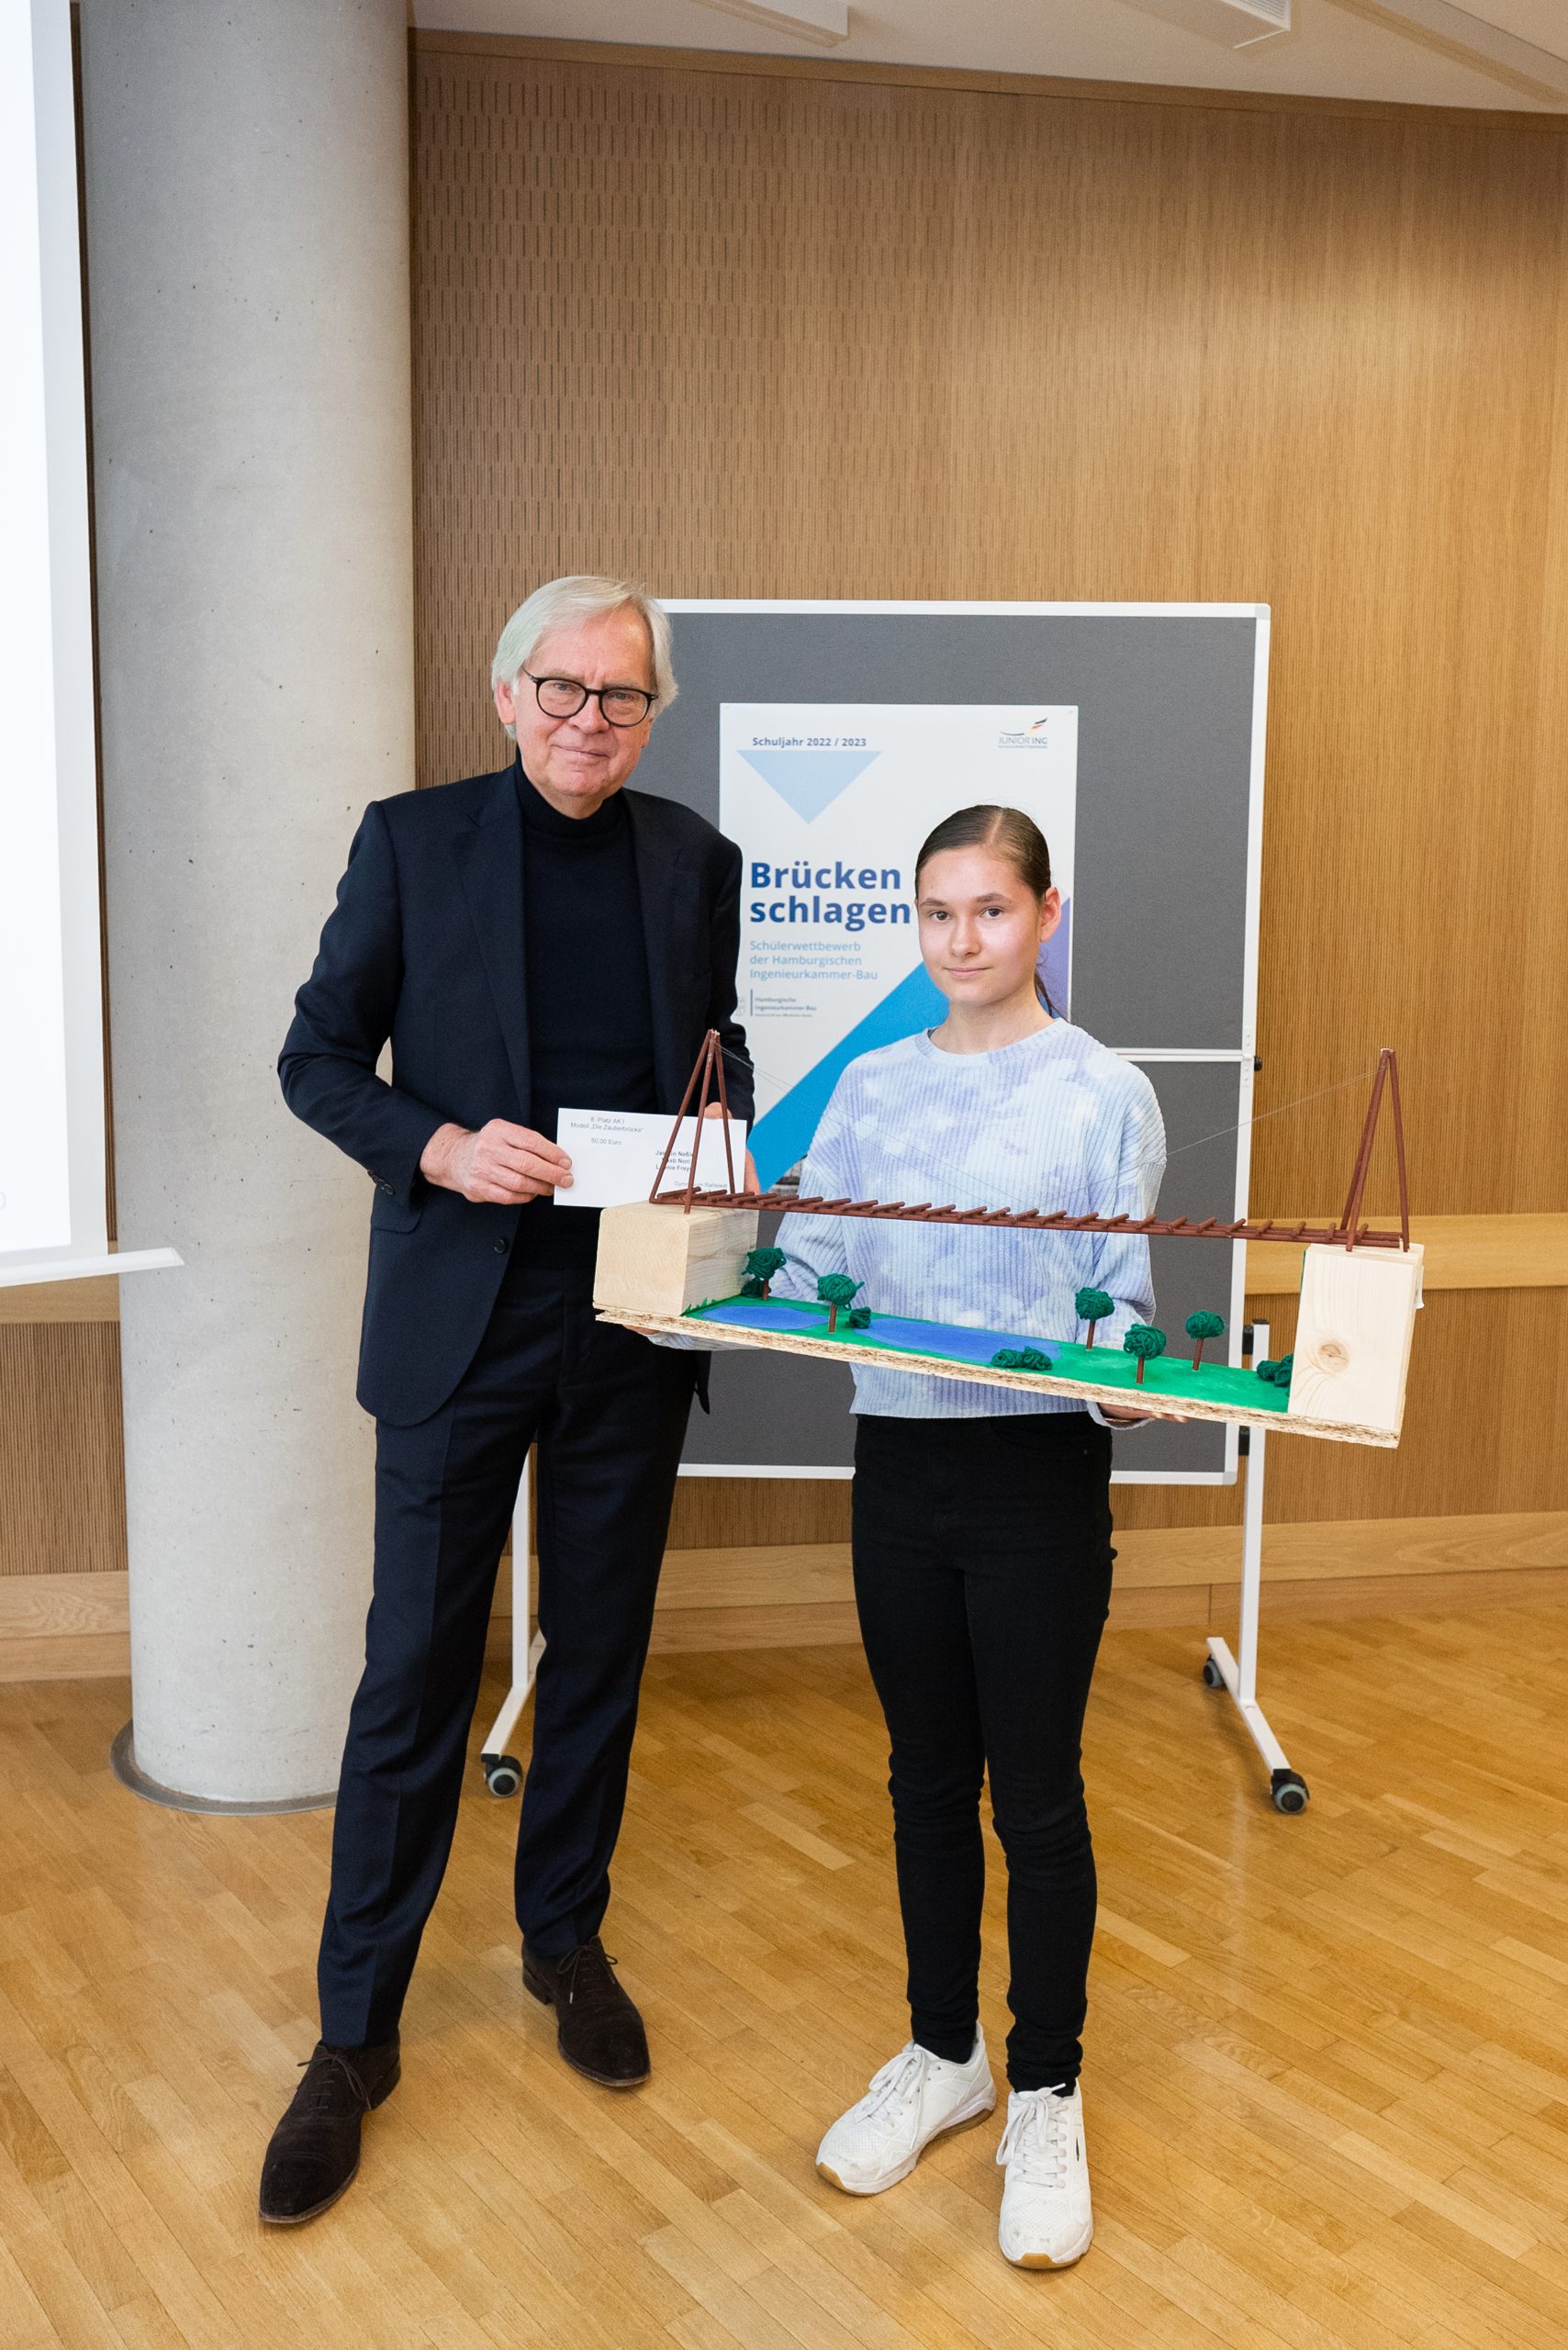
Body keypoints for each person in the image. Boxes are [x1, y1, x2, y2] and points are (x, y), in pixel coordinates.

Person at [260, 575, 752, 2226]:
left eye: (621, 695)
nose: (588, 720)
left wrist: (720, 1136)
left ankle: (563, 1943)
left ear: (650, 714)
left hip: (628, 1318)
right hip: (456, 1325)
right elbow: (315, 1059)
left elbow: (717, 1054)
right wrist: (439, 1146)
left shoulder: (694, 862)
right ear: (505, 693)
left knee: (598, 1653)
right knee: (413, 1673)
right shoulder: (411, 844)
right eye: (562, 688)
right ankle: (353, 2038)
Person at [774, 804, 1170, 2271]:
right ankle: (944, 2056)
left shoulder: (1100, 1091)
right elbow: (809, 1264)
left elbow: (1117, 1303)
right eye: (937, 913)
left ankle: (1046, 2090)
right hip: (898, 1471)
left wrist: (1126, 1389)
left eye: (989, 911)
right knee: (923, 1779)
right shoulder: (867, 1086)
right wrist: (715, 1292)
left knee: (1035, 1796)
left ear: (1044, 914)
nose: (961, 939)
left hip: (1033, 1487)